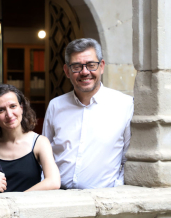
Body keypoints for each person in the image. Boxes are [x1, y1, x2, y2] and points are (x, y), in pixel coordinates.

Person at [42, 38, 134, 189]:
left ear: (101, 66)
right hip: (59, 198)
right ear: (66, 71)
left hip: (106, 200)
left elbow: (129, 158)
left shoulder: (125, 105)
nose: (85, 72)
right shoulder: (55, 106)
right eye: (77, 66)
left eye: (91, 65)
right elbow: (45, 154)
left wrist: (117, 190)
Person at [0, 84, 60, 192]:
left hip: (28, 207)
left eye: (13, 106)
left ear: (21, 108)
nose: (9, 114)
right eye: (1, 110)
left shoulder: (40, 142)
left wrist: (17, 200)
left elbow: (53, 182)